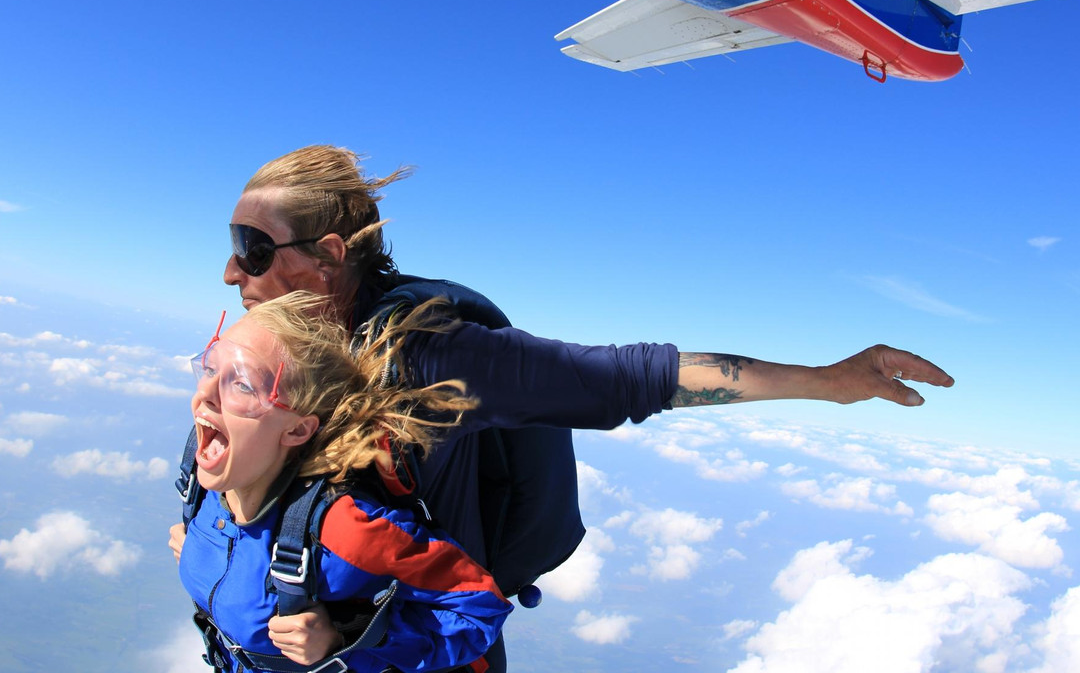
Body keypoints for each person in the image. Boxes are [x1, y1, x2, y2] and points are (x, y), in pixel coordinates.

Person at [195, 144, 954, 669]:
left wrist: (829, 380)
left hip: (427, 646)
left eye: (253, 248)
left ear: (329, 256)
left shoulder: (429, 355)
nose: (232, 271)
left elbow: (624, 378)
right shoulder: (269, 351)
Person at [171, 291, 512, 672]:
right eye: (211, 368)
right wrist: (199, 548)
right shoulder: (203, 483)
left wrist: (347, 634)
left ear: (297, 430)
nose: (205, 395)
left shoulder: (344, 531)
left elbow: (480, 608)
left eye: (244, 385)